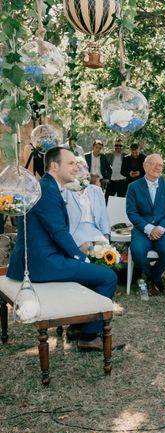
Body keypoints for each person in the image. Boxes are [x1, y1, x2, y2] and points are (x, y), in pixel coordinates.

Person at [8, 147, 117, 351]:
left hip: (41, 258)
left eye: (76, 163)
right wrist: (81, 257)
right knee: (108, 277)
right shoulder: (47, 190)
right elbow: (58, 232)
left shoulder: (48, 186)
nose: (76, 167)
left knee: (92, 274)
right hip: (41, 264)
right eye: (71, 163)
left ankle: (77, 328)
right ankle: (88, 335)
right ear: (54, 166)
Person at [126, 154, 165, 295]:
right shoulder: (133, 187)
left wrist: (160, 228)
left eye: (160, 165)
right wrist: (148, 228)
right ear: (145, 166)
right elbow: (132, 212)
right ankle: (156, 280)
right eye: (154, 164)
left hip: (164, 230)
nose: (158, 167)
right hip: (142, 230)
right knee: (137, 251)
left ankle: (151, 278)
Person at [64, 158, 111, 250]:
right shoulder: (67, 189)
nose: (83, 171)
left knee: (103, 248)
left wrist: (106, 235)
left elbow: (103, 215)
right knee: (87, 247)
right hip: (75, 229)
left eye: (85, 168)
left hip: (94, 229)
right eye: (79, 168)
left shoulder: (96, 190)